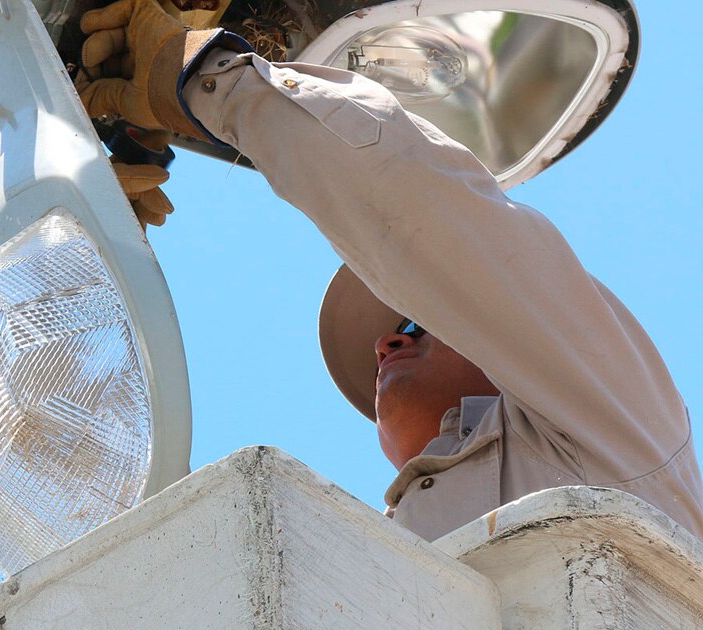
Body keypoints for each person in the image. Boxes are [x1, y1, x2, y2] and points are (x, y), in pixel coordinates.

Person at [78, 0, 703, 540]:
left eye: (416, 321)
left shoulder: (615, 430)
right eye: (408, 321)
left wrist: (203, 78)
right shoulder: (363, 575)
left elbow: (419, 219)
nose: (387, 341)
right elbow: (420, 222)